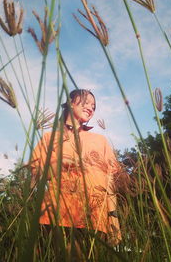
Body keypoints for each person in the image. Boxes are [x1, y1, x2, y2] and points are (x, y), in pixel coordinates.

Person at [30, 89, 121, 246]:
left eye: (94, 106)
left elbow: (110, 181)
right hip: (56, 217)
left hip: (94, 219)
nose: (91, 108)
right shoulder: (49, 138)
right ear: (71, 104)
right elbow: (37, 176)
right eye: (86, 103)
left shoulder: (101, 141)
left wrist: (113, 217)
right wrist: (61, 163)